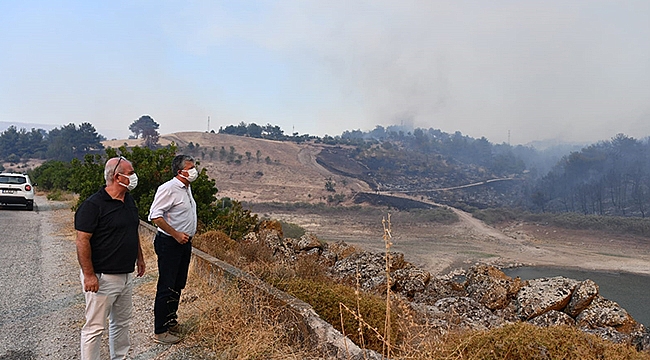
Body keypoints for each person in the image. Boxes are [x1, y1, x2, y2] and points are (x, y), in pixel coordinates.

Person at [75, 156, 146, 360]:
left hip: (125, 275)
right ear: (117, 176)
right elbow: (82, 241)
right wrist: (89, 275)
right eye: (131, 173)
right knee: (95, 327)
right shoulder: (93, 205)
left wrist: (139, 258)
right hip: (102, 277)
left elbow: (132, 230)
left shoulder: (129, 201)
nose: (134, 177)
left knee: (122, 323)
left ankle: (120, 357)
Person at [148, 154, 198, 344]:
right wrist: (176, 233)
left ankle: (171, 321)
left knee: (178, 284)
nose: (194, 171)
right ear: (180, 171)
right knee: (167, 286)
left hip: (184, 243)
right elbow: (155, 216)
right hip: (170, 243)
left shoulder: (187, 188)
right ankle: (160, 331)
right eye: (190, 168)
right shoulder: (168, 188)